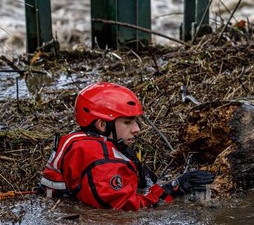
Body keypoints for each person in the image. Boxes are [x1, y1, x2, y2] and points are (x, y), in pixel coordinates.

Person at [39, 82, 214, 210]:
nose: (137, 129)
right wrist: (175, 187)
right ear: (102, 125)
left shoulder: (82, 141)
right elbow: (126, 208)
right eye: (127, 122)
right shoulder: (98, 156)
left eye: (136, 122)